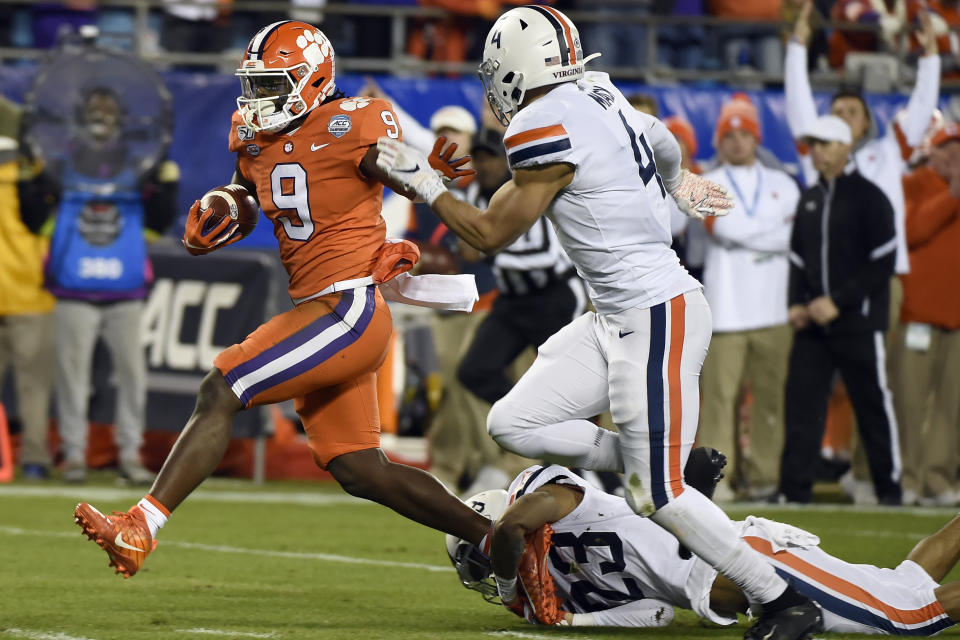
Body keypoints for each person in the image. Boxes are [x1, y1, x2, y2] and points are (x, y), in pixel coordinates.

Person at [374, 6, 822, 640]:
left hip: (656, 311)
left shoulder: (540, 121)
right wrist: (680, 183)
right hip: (613, 315)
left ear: (516, 71)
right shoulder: (597, 90)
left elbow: (489, 234)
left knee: (656, 497)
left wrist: (421, 184)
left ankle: (778, 599)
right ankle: (660, 459)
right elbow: (662, 136)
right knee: (512, 422)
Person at [73, 20, 492, 579]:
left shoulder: (355, 122)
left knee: (223, 387)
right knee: (361, 469)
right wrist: (226, 210)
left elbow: (404, 175)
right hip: (326, 308)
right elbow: (250, 190)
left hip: (346, 308)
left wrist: (425, 190)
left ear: (311, 79)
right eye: (253, 84)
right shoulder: (253, 133)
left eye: (271, 84)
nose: (257, 98)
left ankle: (141, 526)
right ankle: (498, 540)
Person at [446, 459, 960, 634]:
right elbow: (655, 615)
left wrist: (513, 576)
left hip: (755, 559)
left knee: (911, 615)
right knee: (907, 584)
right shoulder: (560, 587)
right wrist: (569, 621)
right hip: (743, 591)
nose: (487, 572)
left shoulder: (548, 498)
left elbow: (516, 526)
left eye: (480, 557)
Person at [20, 86, 177, 485]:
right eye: (94, 109)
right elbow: (34, 218)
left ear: (120, 118)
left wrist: (167, 183)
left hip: (124, 289)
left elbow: (159, 222)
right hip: (75, 288)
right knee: (73, 377)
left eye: (107, 111)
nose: (100, 118)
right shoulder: (63, 162)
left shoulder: (137, 162)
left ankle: (129, 455)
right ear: (81, 115)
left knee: (131, 377)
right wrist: (30, 180)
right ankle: (74, 456)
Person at [777, 115, 901, 505]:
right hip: (813, 325)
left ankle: (889, 491)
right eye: (813, 144)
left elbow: (883, 262)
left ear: (846, 147)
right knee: (801, 406)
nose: (816, 151)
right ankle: (793, 493)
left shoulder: (871, 198)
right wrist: (796, 304)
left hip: (858, 322)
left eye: (825, 144)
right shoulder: (810, 198)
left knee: (872, 405)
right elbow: (797, 259)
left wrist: (840, 301)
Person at [697, 97, 800, 502]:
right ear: (720, 141)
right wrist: (772, 235)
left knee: (771, 401)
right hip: (725, 311)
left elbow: (794, 237)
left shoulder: (784, 183)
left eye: (745, 134)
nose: (738, 142)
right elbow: (724, 232)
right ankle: (718, 482)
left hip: (774, 310)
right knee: (720, 402)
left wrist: (749, 231)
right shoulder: (704, 183)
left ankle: (764, 477)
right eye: (730, 135)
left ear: (756, 138)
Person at [893, 122, 960, 506]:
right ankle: (910, 480)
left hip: (956, 318)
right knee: (910, 402)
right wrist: (952, 194)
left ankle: (940, 479)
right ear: (929, 152)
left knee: (951, 406)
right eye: (945, 148)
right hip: (918, 315)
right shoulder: (912, 183)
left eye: (958, 149)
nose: (953, 155)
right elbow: (911, 231)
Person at [0, 97, 56, 480]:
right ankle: (34, 460)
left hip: (18, 293)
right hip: (31, 294)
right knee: (34, 389)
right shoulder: (38, 177)